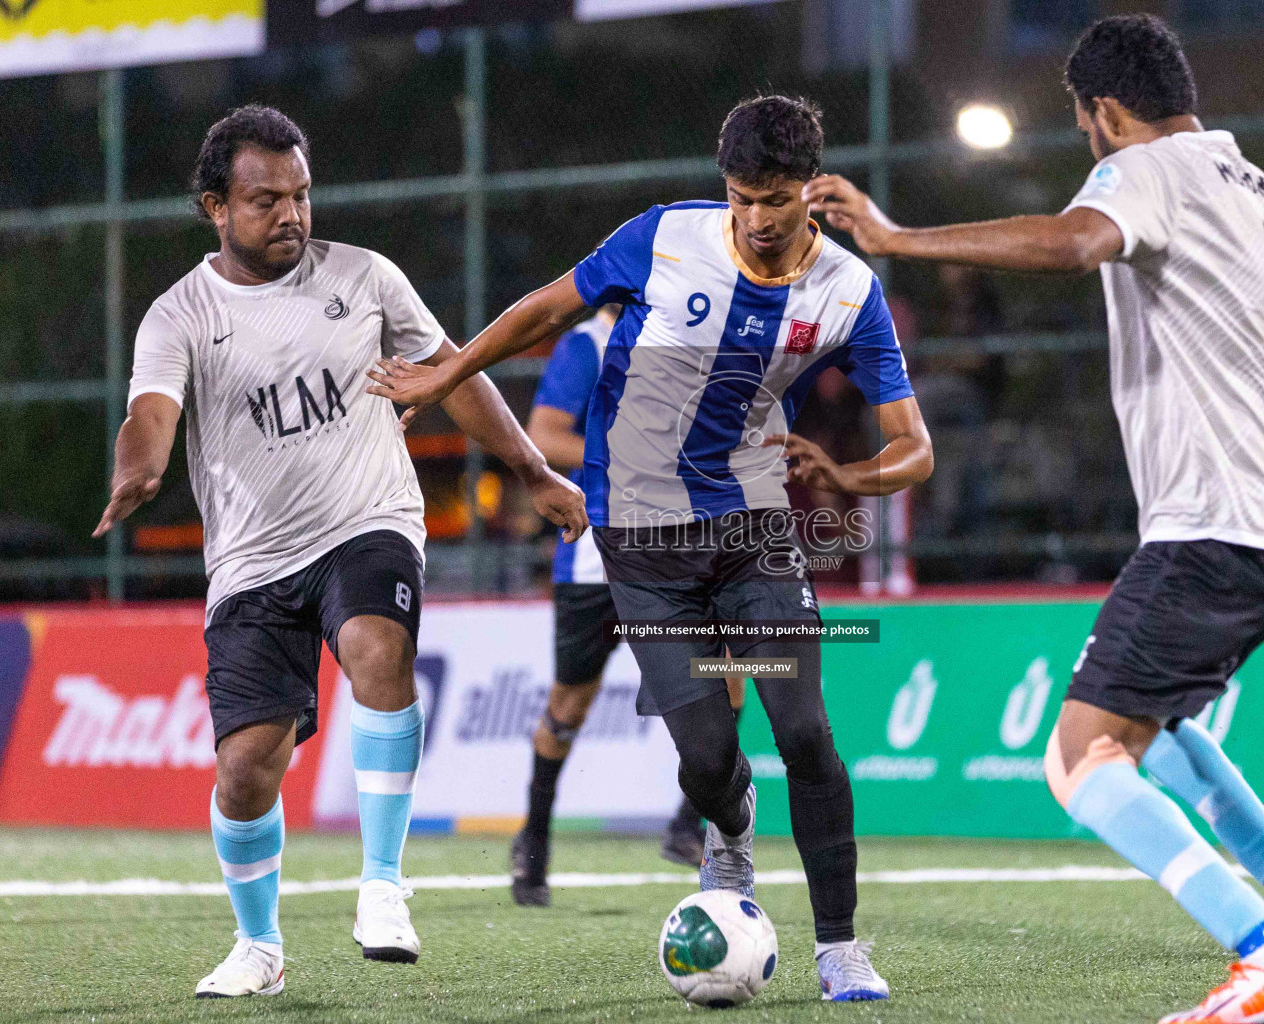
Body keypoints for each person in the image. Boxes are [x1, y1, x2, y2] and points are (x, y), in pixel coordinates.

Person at [805, 15, 1264, 1024]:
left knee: (1077, 756)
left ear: (1106, 114)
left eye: (1084, 134)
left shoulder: (1147, 170)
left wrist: (893, 239)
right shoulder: (1258, 188)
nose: (1089, 151)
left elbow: (1073, 243)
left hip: (1215, 522)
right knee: (1150, 722)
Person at [366, 95, 934, 1002]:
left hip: (755, 533)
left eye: (777, 199)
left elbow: (916, 446)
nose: (757, 219)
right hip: (640, 543)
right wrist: (449, 372)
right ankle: (730, 831)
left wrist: (848, 476)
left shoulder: (849, 294)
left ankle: (840, 946)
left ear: (810, 193)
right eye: (742, 196)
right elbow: (544, 310)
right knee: (708, 759)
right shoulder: (665, 238)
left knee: (805, 731)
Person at [94, 105, 586, 1000]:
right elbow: (150, 415)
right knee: (246, 769)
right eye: (266, 200)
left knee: (377, 649)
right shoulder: (180, 316)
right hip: (251, 561)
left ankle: (385, 885)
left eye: (302, 195)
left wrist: (533, 471)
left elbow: (455, 375)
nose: (292, 214)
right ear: (215, 207)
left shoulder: (365, 278)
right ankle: (259, 946)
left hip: (368, 518)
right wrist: (140, 467)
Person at [511, 305, 746, 906]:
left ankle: (688, 825)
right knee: (569, 705)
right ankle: (532, 845)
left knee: (727, 675)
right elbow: (543, 435)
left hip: (677, 554)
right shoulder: (587, 345)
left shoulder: (687, 343)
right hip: (596, 558)